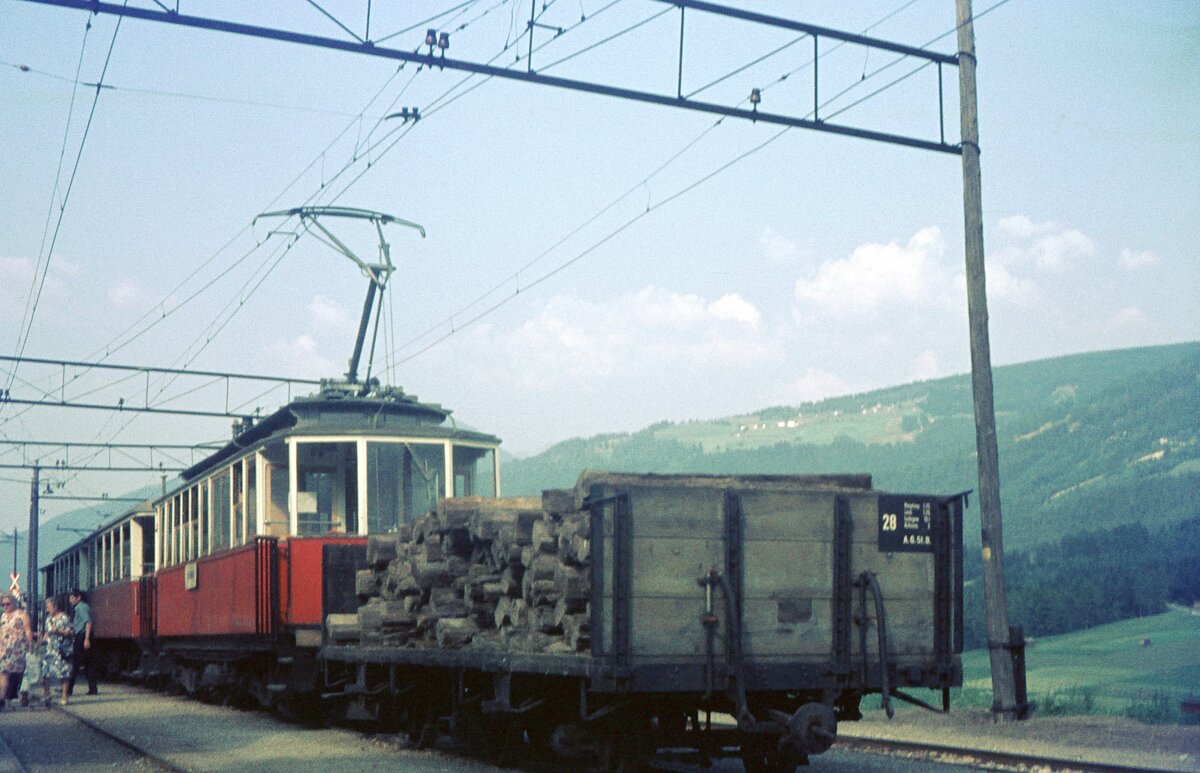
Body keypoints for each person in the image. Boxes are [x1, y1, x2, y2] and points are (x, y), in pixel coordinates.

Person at [0, 593, 33, 710]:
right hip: (4, 650)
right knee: (3, 673)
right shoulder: (3, 616)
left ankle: (23, 697)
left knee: (20, 675)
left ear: (14, 603)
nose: (5, 606)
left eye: (7, 604)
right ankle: (2, 699)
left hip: (18, 650)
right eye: (2, 604)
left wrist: (30, 645)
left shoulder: (22, 615)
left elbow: (28, 630)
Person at [39, 597, 73, 707]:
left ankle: (64, 697)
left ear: (55, 606)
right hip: (49, 649)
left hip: (61, 649)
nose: (47, 609)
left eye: (48, 607)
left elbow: (71, 632)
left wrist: (58, 631)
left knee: (63, 673)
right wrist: (42, 639)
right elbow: (47, 632)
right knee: (45, 672)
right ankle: (47, 694)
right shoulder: (48, 618)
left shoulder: (64, 617)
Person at [67, 589, 97, 696]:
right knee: (88, 663)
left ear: (78, 597)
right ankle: (92, 688)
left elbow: (88, 622)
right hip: (81, 636)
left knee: (77, 663)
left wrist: (87, 639)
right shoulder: (79, 608)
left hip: (83, 636)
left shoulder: (82, 607)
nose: (70, 600)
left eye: (72, 598)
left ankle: (69, 689)